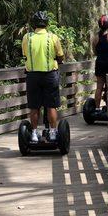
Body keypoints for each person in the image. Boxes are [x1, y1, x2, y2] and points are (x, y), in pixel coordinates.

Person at [22, 11, 64, 142]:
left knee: (34, 106)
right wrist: (58, 60)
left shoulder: (26, 38)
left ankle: (34, 134)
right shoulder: (53, 37)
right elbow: (60, 56)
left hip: (33, 76)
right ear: (46, 24)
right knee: (51, 105)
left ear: (34, 24)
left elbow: (25, 55)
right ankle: (52, 133)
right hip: (49, 75)